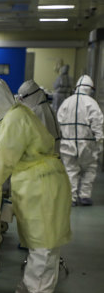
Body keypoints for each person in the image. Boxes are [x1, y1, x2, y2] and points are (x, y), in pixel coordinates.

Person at [0, 77, 71, 293]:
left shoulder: (16, 118)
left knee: (43, 249)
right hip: (36, 184)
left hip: (43, 187)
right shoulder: (15, 114)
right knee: (35, 246)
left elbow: (3, 159)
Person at [56, 75, 104, 206]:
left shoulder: (66, 102)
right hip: (87, 144)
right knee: (90, 169)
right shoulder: (92, 103)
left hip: (67, 144)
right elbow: (98, 124)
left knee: (71, 170)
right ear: (90, 89)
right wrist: (100, 141)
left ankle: (71, 197)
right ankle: (84, 196)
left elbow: (58, 123)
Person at [17, 80, 61, 153]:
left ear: (31, 96)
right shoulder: (47, 107)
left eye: (22, 99)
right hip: (54, 153)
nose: (22, 102)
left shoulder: (37, 112)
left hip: (45, 156)